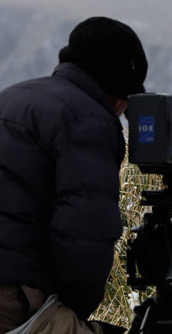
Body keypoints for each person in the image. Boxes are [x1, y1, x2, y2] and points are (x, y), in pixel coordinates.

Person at [0, 16, 148, 333]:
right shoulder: (88, 119)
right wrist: (73, 311)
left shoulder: (12, 97)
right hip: (12, 300)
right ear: (118, 97)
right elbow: (84, 233)